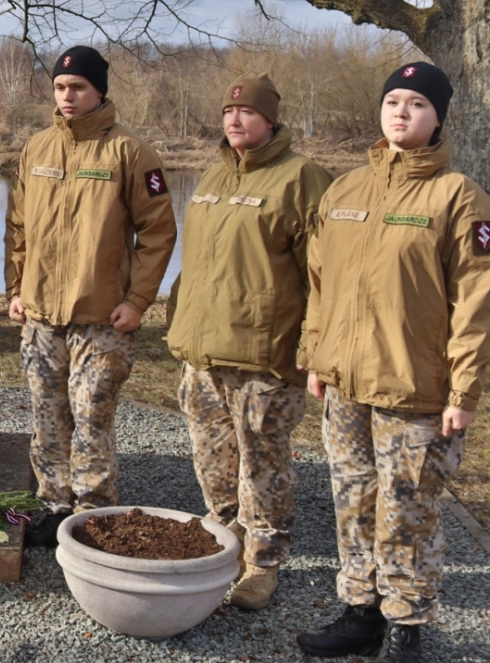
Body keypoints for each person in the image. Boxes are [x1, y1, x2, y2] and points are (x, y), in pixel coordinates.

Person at [297, 63, 490, 663]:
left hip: (416, 389)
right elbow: (320, 284)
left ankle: (405, 626)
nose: (401, 111)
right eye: (393, 100)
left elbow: (478, 305)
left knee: (408, 508)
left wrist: (463, 393)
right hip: (345, 385)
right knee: (353, 497)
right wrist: (316, 356)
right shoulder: (345, 190)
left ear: (439, 116)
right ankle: (360, 612)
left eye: (417, 102)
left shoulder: (460, 198)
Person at [166, 73, 333, 610]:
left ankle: (263, 563)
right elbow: (197, 267)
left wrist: (311, 353)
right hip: (203, 353)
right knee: (212, 459)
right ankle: (225, 544)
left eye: (248, 113)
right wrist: (179, 325)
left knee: (262, 465)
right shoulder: (213, 177)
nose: (235, 120)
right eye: (228, 113)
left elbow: (323, 278)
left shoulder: (301, 178)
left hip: (264, 356)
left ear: (271, 120)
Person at [4, 45, 177, 545]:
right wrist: (16, 288)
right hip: (40, 316)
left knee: (91, 419)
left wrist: (139, 300)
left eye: (77, 87)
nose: (68, 97)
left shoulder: (130, 152)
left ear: (99, 89)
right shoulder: (37, 149)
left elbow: (158, 231)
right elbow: (18, 224)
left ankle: (92, 515)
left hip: (100, 318)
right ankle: (53, 506)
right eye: (60, 88)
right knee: (47, 417)